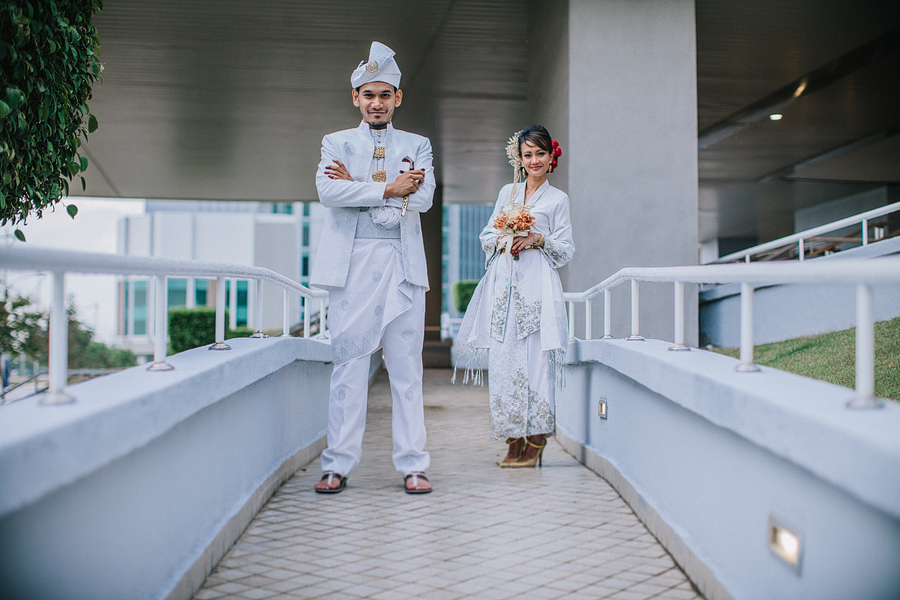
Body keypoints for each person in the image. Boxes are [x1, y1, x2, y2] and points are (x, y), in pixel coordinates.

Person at [311, 41, 434, 494]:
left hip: (402, 267)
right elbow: (329, 192)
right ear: (356, 98)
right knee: (348, 365)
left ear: (397, 98)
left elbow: (424, 198)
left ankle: (414, 464)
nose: (376, 103)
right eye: (369, 95)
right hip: (351, 267)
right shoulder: (336, 142)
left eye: (385, 95)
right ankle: (337, 463)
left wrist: (358, 186)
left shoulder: (417, 145)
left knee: (406, 370)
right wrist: (389, 188)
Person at [455, 125, 573, 468]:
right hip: (503, 288)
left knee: (536, 363)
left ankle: (536, 438)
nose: (534, 161)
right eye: (528, 154)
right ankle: (512, 438)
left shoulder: (558, 199)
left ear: (551, 157)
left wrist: (538, 239)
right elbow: (486, 236)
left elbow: (566, 250)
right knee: (504, 362)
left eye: (540, 154)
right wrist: (505, 235)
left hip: (536, 288)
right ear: (518, 158)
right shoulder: (507, 192)